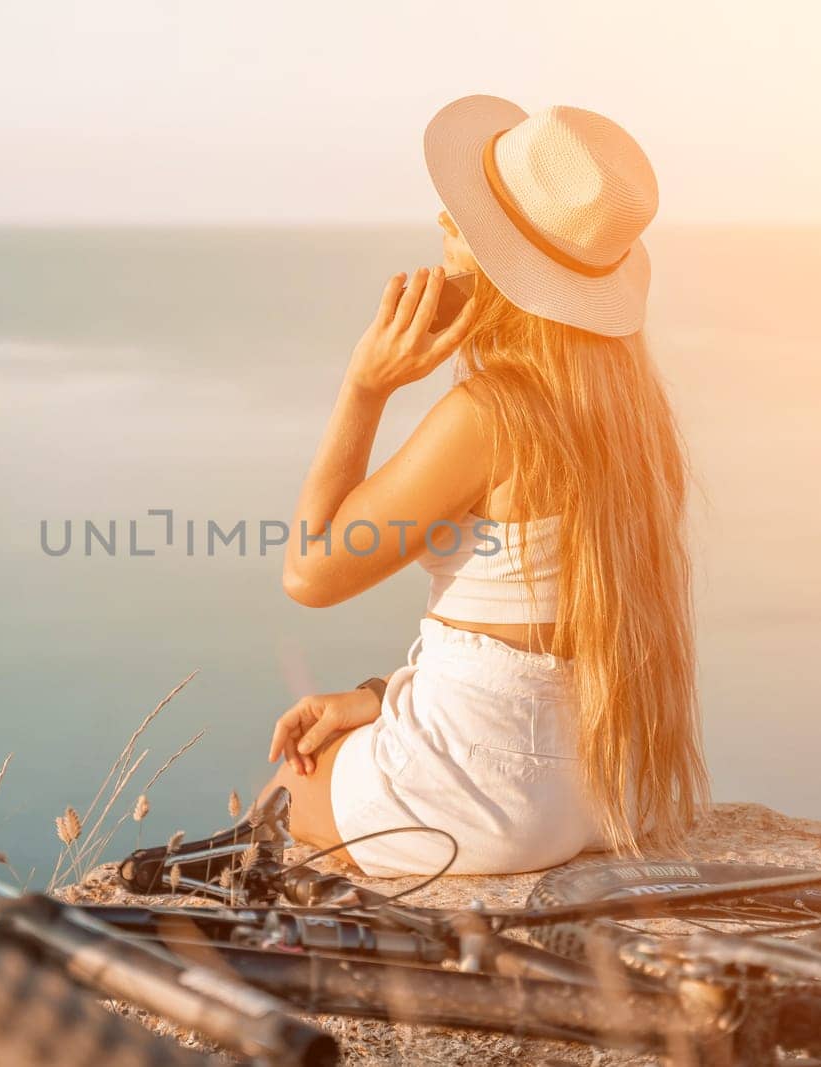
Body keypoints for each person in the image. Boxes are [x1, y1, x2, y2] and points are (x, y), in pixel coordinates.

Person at [259, 94, 711, 876]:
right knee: (344, 743)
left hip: (493, 796)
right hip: (616, 790)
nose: (441, 228)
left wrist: (364, 388)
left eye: (458, 223)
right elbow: (540, 630)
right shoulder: (636, 417)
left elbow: (310, 572)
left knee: (288, 794)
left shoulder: (490, 414)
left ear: (495, 263)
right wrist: (378, 695)